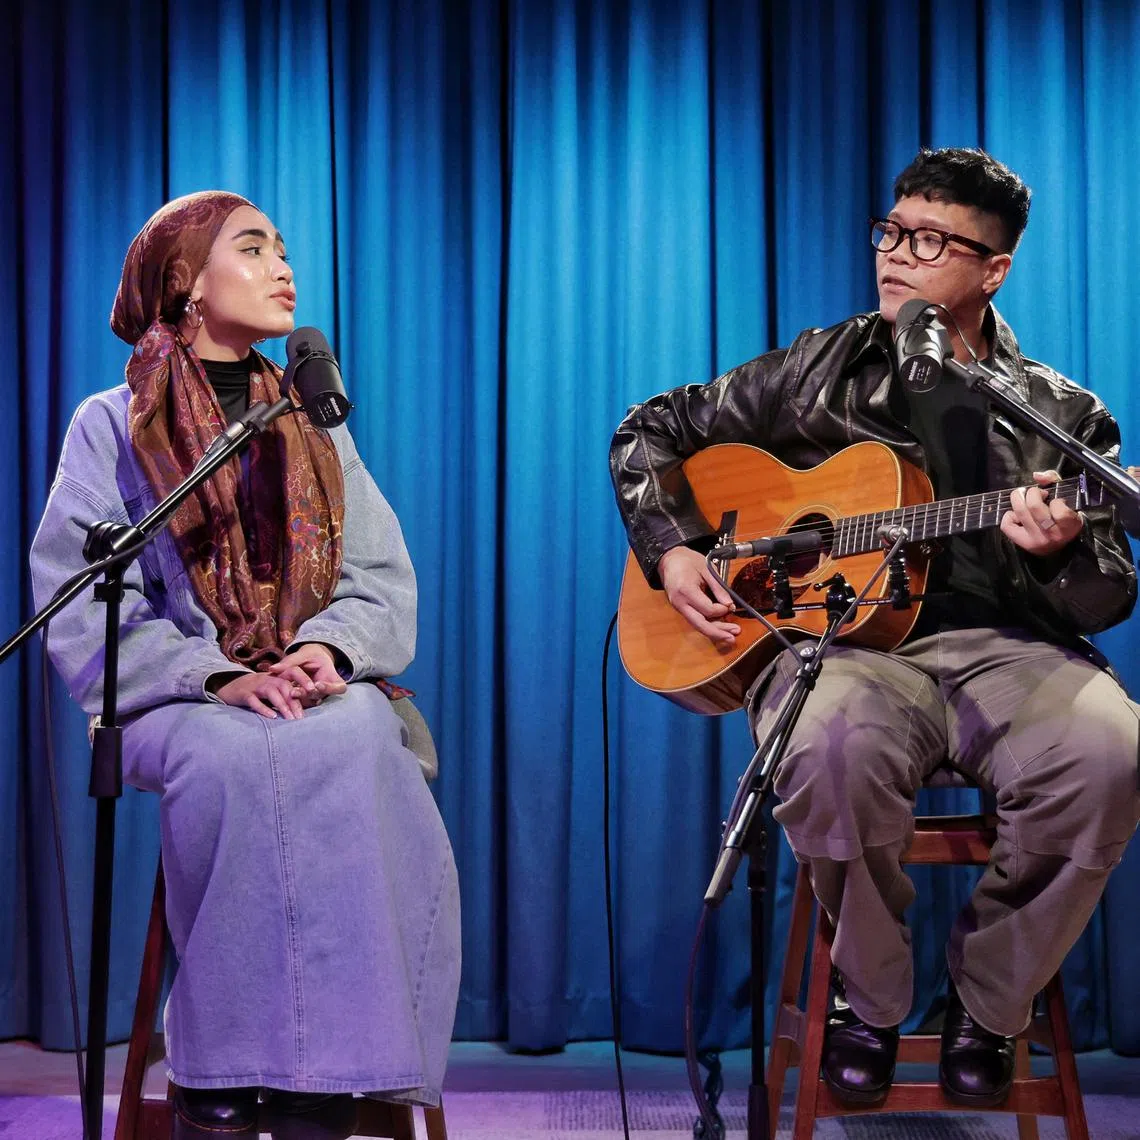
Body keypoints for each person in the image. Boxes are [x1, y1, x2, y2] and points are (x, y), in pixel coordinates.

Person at [610, 148, 1140, 1108]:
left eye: (931, 241)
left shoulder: (1063, 414)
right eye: (892, 231)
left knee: (1112, 754)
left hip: (1010, 651)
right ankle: (873, 996)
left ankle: (992, 1002)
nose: (896, 254)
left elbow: (1107, 595)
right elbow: (649, 429)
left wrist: (1060, 553)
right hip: (845, 646)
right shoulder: (818, 367)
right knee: (826, 746)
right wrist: (673, 548)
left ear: (994, 269)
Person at [30, 192, 460, 1139]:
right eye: (254, 248)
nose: (283, 267)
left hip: (312, 685)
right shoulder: (111, 425)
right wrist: (216, 675)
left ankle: (335, 1075)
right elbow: (79, 597)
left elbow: (380, 576)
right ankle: (219, 1062)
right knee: (235, 756)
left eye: (284, 250)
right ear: (185, 281)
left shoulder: (313, 419)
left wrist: (323, 649)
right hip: (176, 694)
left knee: (359, 737)